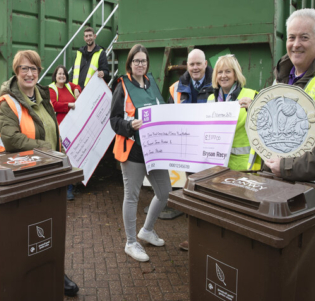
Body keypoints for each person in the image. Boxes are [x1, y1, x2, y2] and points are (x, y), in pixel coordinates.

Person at [0, 50, 79, 297]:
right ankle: (24, 276)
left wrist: (58, 148)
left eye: (34, 69)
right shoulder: (8, 103)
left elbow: (50, 128)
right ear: (16, 72)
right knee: (26, 233)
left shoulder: (43, 95)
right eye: (24, 69)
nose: (30, 73)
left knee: (50, 228)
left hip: (50, 173)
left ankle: (54, 272)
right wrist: (46, 148)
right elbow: (11, 138)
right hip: (23, 177)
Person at [248, 9, 315, 198]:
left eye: (304, 38)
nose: (296, 45)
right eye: (291, 38)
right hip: (268, 186)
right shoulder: (278, 81)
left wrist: (286, 167)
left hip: (312, 199)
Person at [110, 44, 171, 262]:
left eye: (143, 61)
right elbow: (114, 120)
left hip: (155, 150)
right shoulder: (122, 86)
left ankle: (146, 230)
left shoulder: (152, 82)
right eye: (136, 61)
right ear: (130, 63)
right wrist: (130, 126)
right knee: (132, 196)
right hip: (133, 150)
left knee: (165, 191)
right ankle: (130, 242)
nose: (140, 64)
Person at [169, 48, 214, 252]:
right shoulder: (175, 88)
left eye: (198, 63)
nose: (195, 68)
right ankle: (194, 236)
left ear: (205, 64)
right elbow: (170, 116)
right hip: (189, 150)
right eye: (191, 64)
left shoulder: (217, 83)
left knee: (213, 193)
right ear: (187, 66)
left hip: (212, 149)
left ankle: (213, 237)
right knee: (193, 191)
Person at [208, 54, 257, 171]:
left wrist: (253, 109)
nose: (223, 76)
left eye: (228, 71)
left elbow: (265, 125)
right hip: (217, 165)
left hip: (244, 166)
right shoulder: (210, 99)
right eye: (219, 72)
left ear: (236, 75)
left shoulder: (251, 95)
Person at [48, 65, 82, 200]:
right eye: (59, 74)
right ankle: (66, 188)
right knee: (64, 155)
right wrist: (68, 104)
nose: (61, 76)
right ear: (55, 76)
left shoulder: (68, 86)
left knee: (74, 154)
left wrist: (77, 90)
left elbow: (77, 86)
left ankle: (73, 184)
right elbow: (53, 104)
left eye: (63, 74)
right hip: (61, 126)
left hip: (74, 125)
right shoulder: (52, 88)